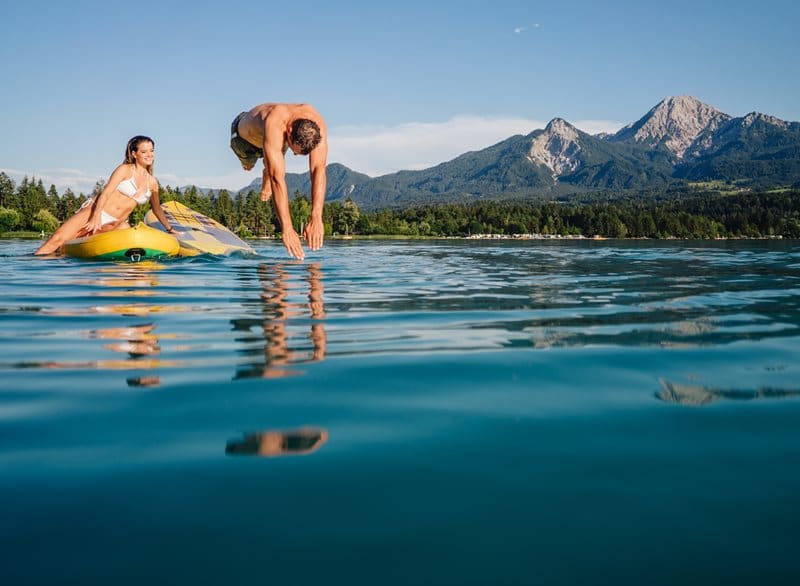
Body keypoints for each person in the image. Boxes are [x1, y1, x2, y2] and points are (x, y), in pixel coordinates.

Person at [35, 135, 175, 255]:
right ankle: (35, 266)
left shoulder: (152, 182)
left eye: (152, 150)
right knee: (57, 239)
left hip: (115, 223)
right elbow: (106, 192)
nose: (149, 154)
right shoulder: (124, 170)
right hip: (95, 211)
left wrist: (170, 229)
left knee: (125, 227)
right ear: (134, 154)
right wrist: (95, 217)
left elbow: (157, 209)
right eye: (144, 151)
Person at [230, 103, 328, 260]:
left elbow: (319, 170)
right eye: (295, 151)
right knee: (249, 166)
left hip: (274, 140)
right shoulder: (275, 121)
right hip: (244, 138)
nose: (296, 156)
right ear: (289, 132)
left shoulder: (316, 125)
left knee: (275, 156)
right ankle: (267, 169)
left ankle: (269, 167)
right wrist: (287, 228)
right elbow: (278, 180)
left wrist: (317, 217)